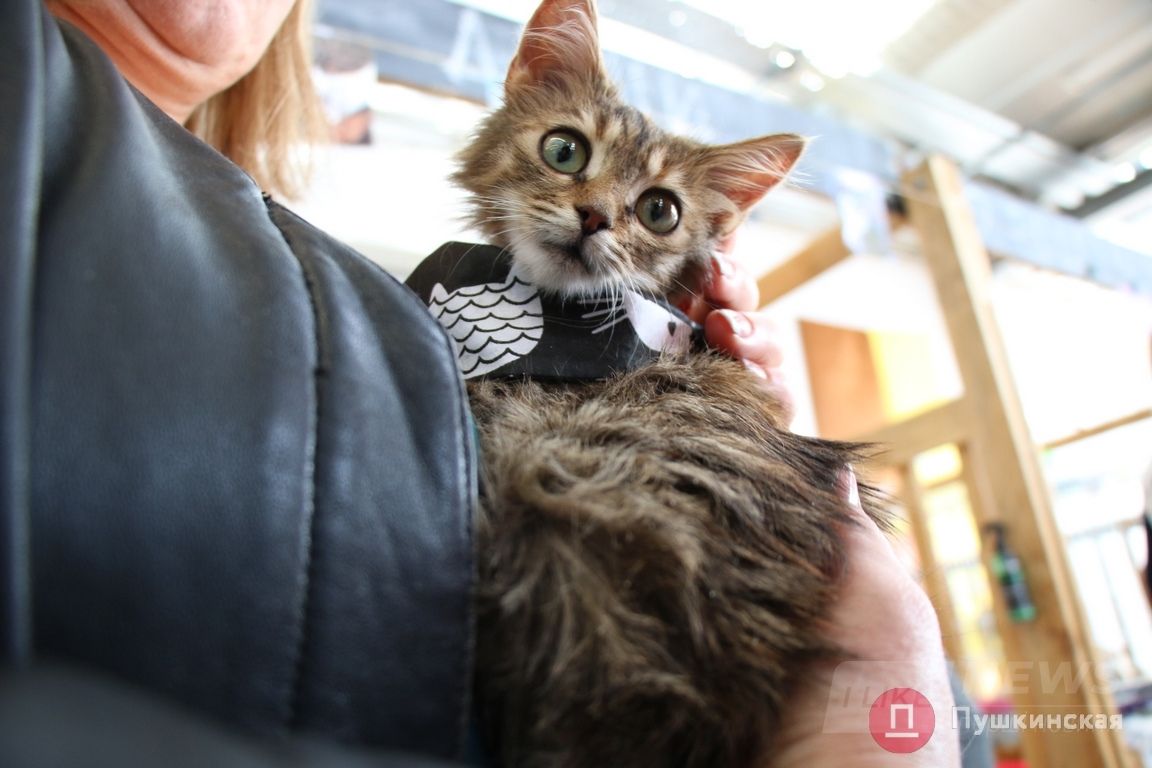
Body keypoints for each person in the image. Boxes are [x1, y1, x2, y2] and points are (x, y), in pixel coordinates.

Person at [0, 1, 958, 766]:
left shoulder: (348, 281)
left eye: (658, 210)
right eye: (568, 152)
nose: (596, 209)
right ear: (522, 98)